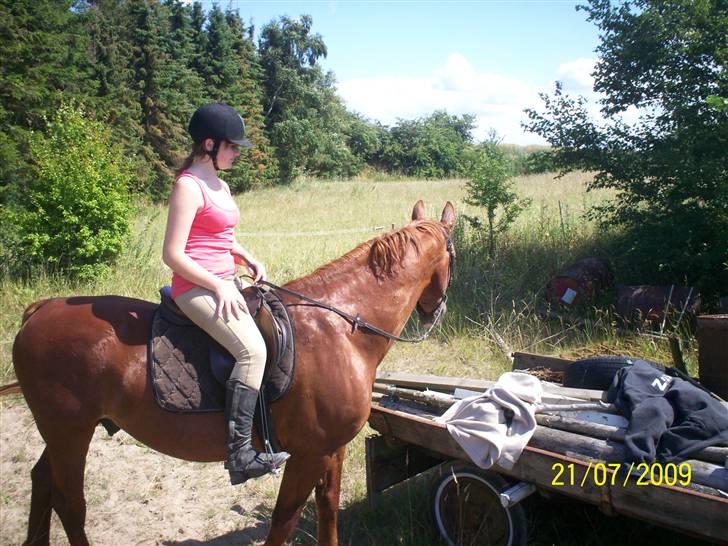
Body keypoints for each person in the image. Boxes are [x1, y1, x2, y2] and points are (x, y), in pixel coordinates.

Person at [162, 103, 289, 484]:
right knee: (253, 351)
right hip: (196, 288)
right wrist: (217, 284)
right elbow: (172, 253)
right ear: (209, 143)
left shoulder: (221, 182)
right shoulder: (189, 185)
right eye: (232, 146)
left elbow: (222, 235)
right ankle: (240, 454)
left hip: (226, 279)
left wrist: (245, 255)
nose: (237, 153)